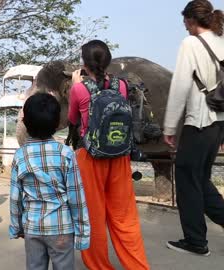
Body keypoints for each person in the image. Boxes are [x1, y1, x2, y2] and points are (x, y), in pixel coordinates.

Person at [68, 40, 150, 269]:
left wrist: (76, 83)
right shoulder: (122, 86)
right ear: (108, 60)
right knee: (125, 217)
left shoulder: (79, 89)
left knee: (93, 218)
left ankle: (100, 266)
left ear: (84, 62)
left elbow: (73, 121)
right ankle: (137, 265)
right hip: (119, 157)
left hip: (91, 158)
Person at [163, 0, 224, 256]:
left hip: (199, 121)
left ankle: (196, 242)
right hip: (219, 123)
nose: (185, 28)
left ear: (190, 20)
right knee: (200, 178)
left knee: (188, 179)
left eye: (185, 23)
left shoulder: (191, 43)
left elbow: (180, 87)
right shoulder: (222, 41)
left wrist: (169, 126)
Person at [9, 93, 90, 270]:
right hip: (61, 228)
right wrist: (83, 233)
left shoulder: (20, 155)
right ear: (56, 124)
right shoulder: (66, 154)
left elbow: (15, 198)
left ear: (25, 122)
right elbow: (76, 197)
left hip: (33, 227)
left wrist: (16, 226)